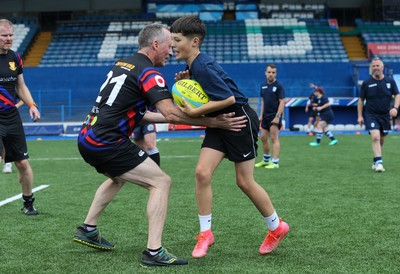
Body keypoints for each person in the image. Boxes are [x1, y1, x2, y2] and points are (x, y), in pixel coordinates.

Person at [73, 23, 247, 267]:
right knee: (161, 182)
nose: (172, 49)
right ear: (155, 45)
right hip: (107, 141)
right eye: (169, 44)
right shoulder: (149, 73)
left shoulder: (123, 64)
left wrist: (202, 121)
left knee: (118, 177)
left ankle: (88, 228)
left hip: (87, 137)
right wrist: (212, 122)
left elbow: (141, 114)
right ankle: (153, 251)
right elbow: (172, 114)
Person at [170, 15, 289, 258]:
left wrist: (194, 112)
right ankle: (206, 234)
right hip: (219, 121)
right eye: (171, 40)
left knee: (244, 182)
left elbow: (228, 99)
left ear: (194, 42)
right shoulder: (193, 67)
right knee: (202, 172)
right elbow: (208, 94)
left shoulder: (201, 66)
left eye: (177, 40)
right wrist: (188, 81)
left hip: (238, 121)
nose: (172, 45)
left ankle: (276, 227)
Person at [0, 19, 41, 215]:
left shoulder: (15, 58)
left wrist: (31, 105)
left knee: (23, 164)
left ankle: (28, 202)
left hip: (12, 117)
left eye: (10, 35)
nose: (8, 39)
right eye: (4, 36)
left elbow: (20, 86)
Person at [357, 57, 400, 172]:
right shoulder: (366, 83)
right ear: (371, 68)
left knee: (381, 140)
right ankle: (379, 163)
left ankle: (375, 160)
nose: (375, 68)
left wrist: (395, 108)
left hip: (385, 115)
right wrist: (360, 116)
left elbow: (397, 95)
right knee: (375, 137)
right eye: (373, 66)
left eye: (377, 65)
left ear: (382, 67)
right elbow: (361, 100)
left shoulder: (390, 81)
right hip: (371, 114)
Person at [254, 64, 285, 169]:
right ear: (265, 73)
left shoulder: (279, 86)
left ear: (276, 73)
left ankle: (275, 162)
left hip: (274, 116)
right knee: (263, 138)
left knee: (274, 138)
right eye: (269, 72)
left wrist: (277, 116)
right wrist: (261, 115)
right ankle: (266, 160)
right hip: (265, 117)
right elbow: (263, 101)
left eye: (273, 72)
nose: (271, 74)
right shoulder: (263, 85)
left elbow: (282, 102)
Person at [2, 100, 24, 173]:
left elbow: (23, 98)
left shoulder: (12, 88)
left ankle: (7, 163)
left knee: (6, 141)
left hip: (10, 119)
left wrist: (16, 106)